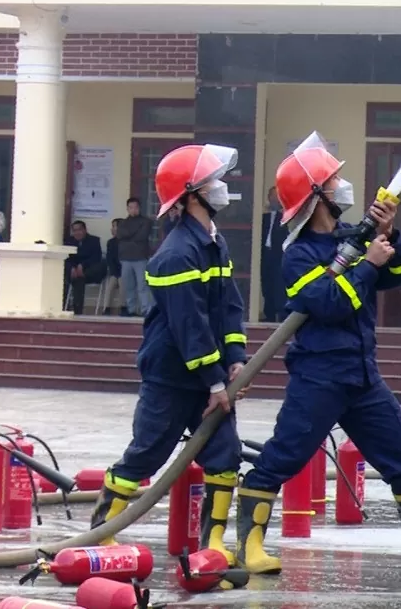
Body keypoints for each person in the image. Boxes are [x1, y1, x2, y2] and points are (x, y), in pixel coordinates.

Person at [236, 141, 401, 575]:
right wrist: (366, 265)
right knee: (283, 457)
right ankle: (248, 545)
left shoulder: (351, 239)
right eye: (333, 182)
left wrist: (391, 234)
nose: (343, 187)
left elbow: (398, 273)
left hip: (362, 375)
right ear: (317, 196)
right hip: (319, 377)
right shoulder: (297, 254)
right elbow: (327, 302)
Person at [90, 143, 248, 571]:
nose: (222, 188)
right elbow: (189, 326)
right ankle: (102, 529)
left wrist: (236, 358)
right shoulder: (177, 252)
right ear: (192, 194)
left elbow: (229, 307)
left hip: (211, 374)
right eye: (213, 182)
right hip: (172, 377)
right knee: (146, 454)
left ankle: (211, 542)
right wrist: (215, 382)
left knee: (225, 456)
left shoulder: (214, 243)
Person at [117, 197, 153, 317]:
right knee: (129, 286)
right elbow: (121, 234)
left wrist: (128, 238)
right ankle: (131, 309)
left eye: (136, 207)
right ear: (127, 209)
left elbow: (141, 237)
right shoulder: (122, 223)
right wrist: (132, 235)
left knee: (142, 285)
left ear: (139, 208)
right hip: (125, 258)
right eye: (131, 207)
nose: (133, 210)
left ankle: (145, 310)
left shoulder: (146, 221)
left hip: (140, 257)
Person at [63, 221, 105, 315]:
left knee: (81, 277)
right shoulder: (69, 241)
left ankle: (77, 311)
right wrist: (72, 268)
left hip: (89, 271)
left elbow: (96, 257)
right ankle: (64, 308)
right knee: (68, 277)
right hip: (73, 272)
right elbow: (66, 257)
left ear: (85, 230)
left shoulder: (94, 240)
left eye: (79, 230)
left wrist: (82, 265)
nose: (77, 233)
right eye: (75, 230)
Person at [259, 186, 288, 322]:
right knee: (266, 283)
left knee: (279, 284)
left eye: (277, 196)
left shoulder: (287, 218)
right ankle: (269, 314)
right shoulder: (262, 218)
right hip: (265, 254)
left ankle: (281, 314)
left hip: (280, 254)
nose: (274, 199)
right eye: (271, 196)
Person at [103, 218, 123, 315]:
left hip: (124, 272)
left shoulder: (126, 242)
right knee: (110, 286)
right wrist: (114, 272)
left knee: (122, 283)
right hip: (114, 272)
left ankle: (123, 307)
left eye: (114, 226)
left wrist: (120, 273)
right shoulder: (111, 242)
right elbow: (109, 259)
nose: (112, 229)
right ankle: (106, 308)